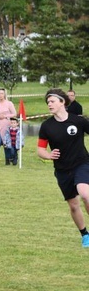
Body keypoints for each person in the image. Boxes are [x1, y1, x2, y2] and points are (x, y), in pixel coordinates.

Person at [37, 88, 89, 248]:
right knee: (73, 205)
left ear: (62, 102)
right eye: (47, 102)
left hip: (82, 164)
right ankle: (85, 235)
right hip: (62, 170)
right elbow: (40, 150)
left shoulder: (78, 121)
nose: (49, 104)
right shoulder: (46, 126)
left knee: (85, 194)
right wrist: (48, 155)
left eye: (52, 101)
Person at [0, 88, 17, 165]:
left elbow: (14, 113)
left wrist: (5, 116)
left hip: (6, 126)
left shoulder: (9, 103)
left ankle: (7, 160)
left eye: (2, 93)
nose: (0, 95)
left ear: (4, 94)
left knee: (6, 143)